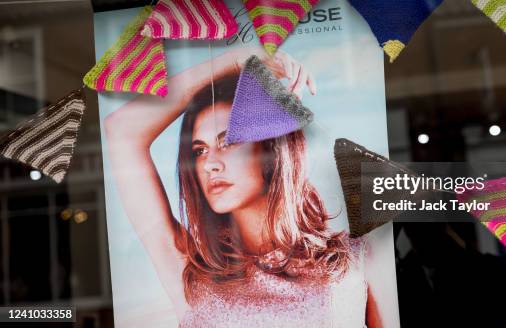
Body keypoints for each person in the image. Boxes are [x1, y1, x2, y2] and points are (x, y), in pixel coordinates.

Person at [104, 47, 386, 327]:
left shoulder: (354, 257)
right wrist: (238, 60)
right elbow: (121, 131)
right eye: (200, 150)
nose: (209, 164)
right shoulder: (192, 275)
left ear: (272, 150)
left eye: (228, 142)